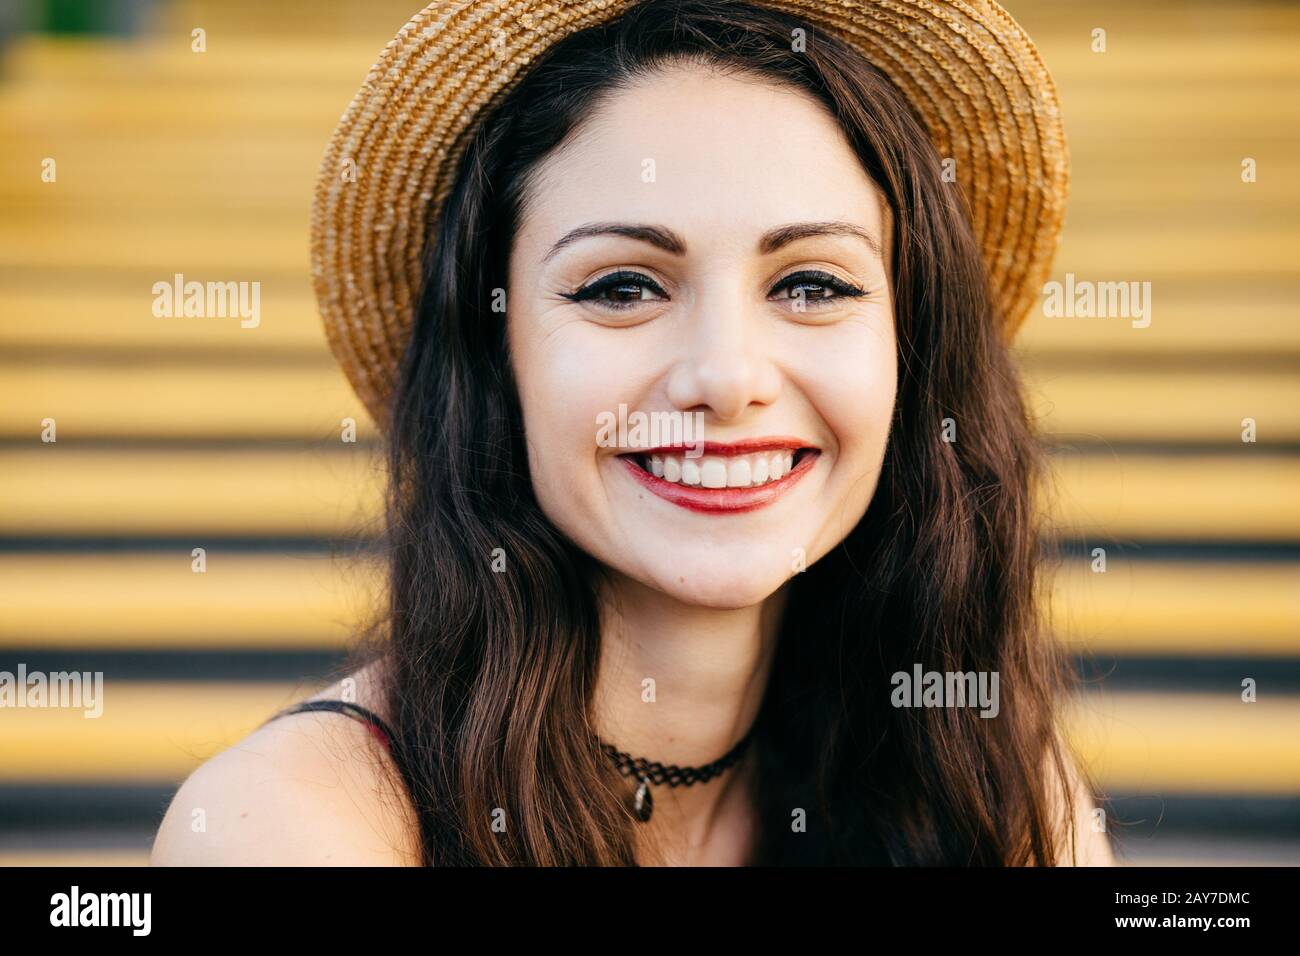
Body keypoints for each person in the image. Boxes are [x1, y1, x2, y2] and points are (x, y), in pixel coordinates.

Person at [151, 0, 1114, 866]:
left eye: (813, 285)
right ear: (498, 353)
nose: (727, 379)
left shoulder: (990, 783)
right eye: (622, 288)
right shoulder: (292, 826)